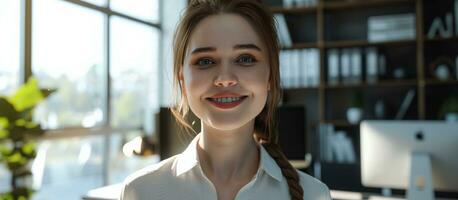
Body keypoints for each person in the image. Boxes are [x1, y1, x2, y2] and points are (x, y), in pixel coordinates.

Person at [120, 0, 331, 199]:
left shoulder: (314, 195)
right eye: (205, 61)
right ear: (182, 79)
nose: (225, 79)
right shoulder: (141, 192)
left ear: (270, 76)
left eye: (245, 58)